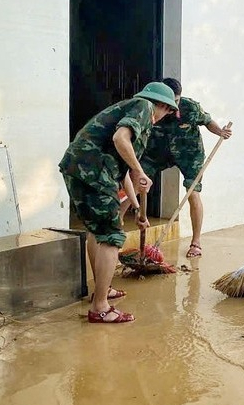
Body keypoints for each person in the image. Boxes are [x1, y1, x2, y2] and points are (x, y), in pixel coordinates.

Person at [59, 81, 178, 323]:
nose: (164, 117)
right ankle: (100, 307)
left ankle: (101, 291)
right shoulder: (144, 107)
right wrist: (140, 171)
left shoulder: (130, 109)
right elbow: (120, 139)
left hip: (80, 169)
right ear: (163, 106)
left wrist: (138, 209)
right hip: (94, 172)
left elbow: (123, 172)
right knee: (112, 236)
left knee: (98, 232)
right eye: (167, 111)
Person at [140, 78, 232, 258]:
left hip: (190, 154)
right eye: (169, 102)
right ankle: (115, 230)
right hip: (158, 151)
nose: (173, 107)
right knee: (138, 181)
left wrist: (220, 132)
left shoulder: (190, 107)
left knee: (193, 192)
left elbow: (207, 121)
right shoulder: (150, 107)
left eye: (176, 101)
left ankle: (196, 243)